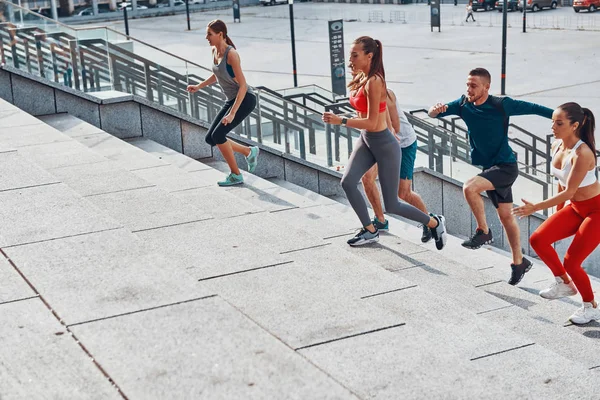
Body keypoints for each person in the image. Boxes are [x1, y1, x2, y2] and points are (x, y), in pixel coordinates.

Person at [428, 67, 553, 285]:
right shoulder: (463, 104)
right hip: (490, 168)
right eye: (467, 84)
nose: (469, 89)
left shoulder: (500, 104)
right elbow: (435, 113)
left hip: (505, 167)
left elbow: (534, 108)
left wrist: (563, 118)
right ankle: (519, 262)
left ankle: (483, 231)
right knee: (506, 217)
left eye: (474, 85)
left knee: (470, 187)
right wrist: (434, 109)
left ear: (487, 87)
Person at [322, 36, 447, 249]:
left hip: (384, 145)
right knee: (348, 182)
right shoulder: (361, 78)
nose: (350, 60)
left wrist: (341, 120)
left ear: (369, 56)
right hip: (366, 139)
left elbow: (372, 122)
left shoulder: (375, 81)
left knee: (393, 204)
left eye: (354, 55)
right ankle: (370, 230)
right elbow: (370, 115)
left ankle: (435, 223)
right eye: (350, 55)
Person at [514, 103, 600, 324]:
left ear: (575, 125)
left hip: (596, 210)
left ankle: (590, 306)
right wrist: (557, 213)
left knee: (572, 262)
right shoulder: (556, 146)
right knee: (538, 239)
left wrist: (536, 207)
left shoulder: (583, 153)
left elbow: (570, 190)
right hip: (575, 207)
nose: (553, 126)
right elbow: (562, 185)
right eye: (552, 121)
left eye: (559, 123)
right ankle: (564, 283)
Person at [187, 19, 259, 187]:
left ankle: (236, 175)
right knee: (211, 138)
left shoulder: (231, 54)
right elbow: (218, 74)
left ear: (220, 34)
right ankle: (249, 152)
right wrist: (199, 86)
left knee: (218, 136)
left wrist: (232, 113)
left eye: (209, 34)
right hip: (232, 99)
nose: (206, 37)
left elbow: (243, 86)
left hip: (245, 99)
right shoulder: (214, 50)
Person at [361, 87, 434, 243]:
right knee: (367, 178)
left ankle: (429, 222)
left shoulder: (385, 94)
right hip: (379, 142)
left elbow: (393, 127)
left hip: (403, 143)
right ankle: (380, 221)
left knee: (404, 193)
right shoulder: (362, 91)